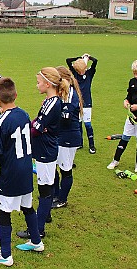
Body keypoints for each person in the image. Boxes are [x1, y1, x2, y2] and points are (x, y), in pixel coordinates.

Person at [0, 77, 44, 267]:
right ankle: (36, 242)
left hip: (10, 174)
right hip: (27, 170)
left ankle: (5, 255)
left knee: (4, 212)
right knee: (27, 206)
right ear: (15, 95)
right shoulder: (24, 114)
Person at [17, 67, 69, 239]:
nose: (37, 85)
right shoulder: (49, 101)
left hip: (46, 151)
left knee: (45, 189)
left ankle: (38, 230)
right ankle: (45, 216)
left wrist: (25, 132)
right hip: (45, 148)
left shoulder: (53, 103)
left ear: (47, 84)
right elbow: (38, 122)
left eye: (38, 82)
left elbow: (37, 127)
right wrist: (35, 124)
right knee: (49, 183)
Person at [52, 66, 83, 209]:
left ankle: (62, 199)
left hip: (69, 137)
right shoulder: (62, 92)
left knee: (65, 169)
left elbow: (66, 117)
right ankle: (55, 194)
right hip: (60, 135)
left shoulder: (70, 93)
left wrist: (50, 117)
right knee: (54, 166)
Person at [107, 60, 137, 173]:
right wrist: (125, 101)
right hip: (131, 117)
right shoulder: (132, 82)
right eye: (135, 73)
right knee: (124, 138)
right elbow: (129, 96)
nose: (136, 76)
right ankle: (115, 160)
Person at [66, 54, 98, 154]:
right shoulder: (74, 74)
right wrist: (78, 57)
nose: (81, 72)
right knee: (78, 123)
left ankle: (92, 145)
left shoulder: (89, 73)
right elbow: (68, 60)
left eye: (82, 70)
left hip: (87, 103)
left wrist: (88, 57)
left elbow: (95, 61)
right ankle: (80, 142)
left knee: (87, 124)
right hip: (77, 103)